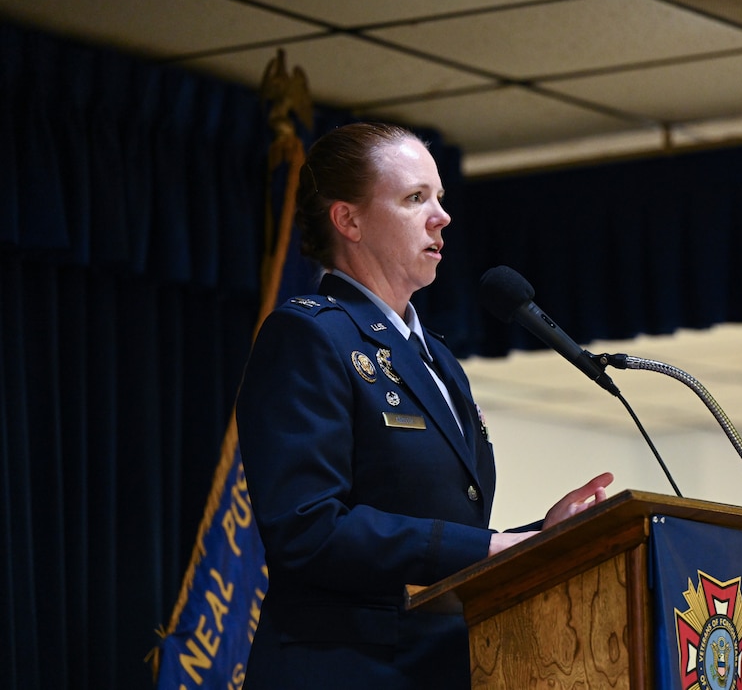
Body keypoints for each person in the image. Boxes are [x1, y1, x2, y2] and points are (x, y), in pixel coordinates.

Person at [235, 121, 614, 689]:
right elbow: (309, 530)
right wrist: (492, 547)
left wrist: (540, 537)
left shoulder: (435, 358)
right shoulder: (310, 336)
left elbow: (442, 534)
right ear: (349, 220)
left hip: (437, 667)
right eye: (415, 198)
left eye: (439, 198)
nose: (442, 216)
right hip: (346, 670)